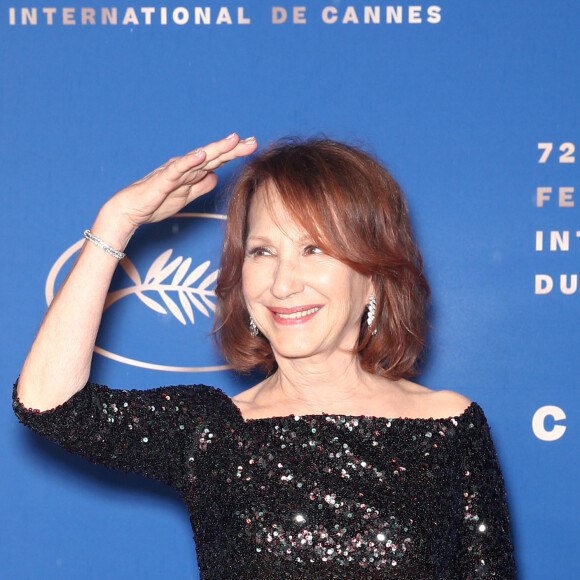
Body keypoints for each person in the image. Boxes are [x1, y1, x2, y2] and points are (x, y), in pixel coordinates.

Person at [13, 134, 516, 578]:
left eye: (314, 249)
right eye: (262, 251)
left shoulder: (451, 426)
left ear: (374, 275)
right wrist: (117, 221)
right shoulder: (212, 433)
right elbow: (48, 403)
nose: (282, 283)